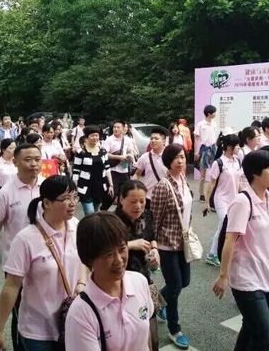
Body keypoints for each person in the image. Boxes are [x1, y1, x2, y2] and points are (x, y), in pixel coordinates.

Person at [0, 175, 87, 351]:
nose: (73, 203)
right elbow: (11, 286)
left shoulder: (76, 226)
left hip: (70, 322)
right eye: (66, 198)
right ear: (47, 203)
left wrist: (81, 282)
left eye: (75, 197)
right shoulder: (26, 239)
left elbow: (83, 259)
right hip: (37, 330)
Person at [0, 144, 43, 351]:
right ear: (15, 162)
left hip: (47, 261)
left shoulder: (47, 188)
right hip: (17, 265)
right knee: (20, 312)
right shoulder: (6, 193)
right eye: (28, 160)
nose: (34, 164)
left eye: (37, 159)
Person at [212, 150, 269, 351]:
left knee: (250, 328)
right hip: (246, 279)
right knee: (264, 337)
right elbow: (230, 240)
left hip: (268, 275)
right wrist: (223, 276)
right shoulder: (243, 201)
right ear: (256, 173)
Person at [65, 211, 154, 350]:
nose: (119, 260)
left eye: (122, 249)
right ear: (89, 259)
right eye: (109, 254)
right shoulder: (80, 314)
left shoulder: (139, 282)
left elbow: (145, 336)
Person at [151, 143, 193, 350]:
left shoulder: (183, 180)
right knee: (175, 285)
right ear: (168, 161)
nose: (180, 160)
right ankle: (175, 329)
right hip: (167, 244)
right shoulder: (163, 185)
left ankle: (158, 301)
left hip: (183, 242)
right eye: (176, 157)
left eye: (182, 156)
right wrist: (154, 246)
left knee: (184, 281)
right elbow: (154, 218)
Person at [115, 180, 163, 351]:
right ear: (121, 200)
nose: (138, 206)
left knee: (152, 336)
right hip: (120, 282)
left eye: (142, 201)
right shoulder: (112, 221)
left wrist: (155, 250)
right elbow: (105, 249)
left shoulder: (147, 215)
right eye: (133, 201)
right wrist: (130, 245)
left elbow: (152, 235)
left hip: (143, 279)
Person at [204, 134, 242, 267]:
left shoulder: (237, 162)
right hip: (221, 199)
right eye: (237, 145)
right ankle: (215, 254)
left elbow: (239, 181)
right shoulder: (219, 163)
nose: (239, 148)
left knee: (222, 227)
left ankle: (213, 254)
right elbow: (211, 183)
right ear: (230, 147)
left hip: (234, 199)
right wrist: (207, 202)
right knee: (225, 225)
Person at [72, 125, 114, 215]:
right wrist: (75, 188)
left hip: (99, 186)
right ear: (87, 137)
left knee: (95, 213)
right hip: (85, 187)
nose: (95, 138)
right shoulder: (81, 152)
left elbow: (107, 168)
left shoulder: (103, 151)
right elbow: (76, 171)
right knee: (89, 213)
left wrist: (111, 185)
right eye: (92, 135)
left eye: (96, 135)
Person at [133, 127, 168, 209]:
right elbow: (137, 174)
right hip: (148, 197)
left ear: (164, 141)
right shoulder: (145, 157)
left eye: (156, 139)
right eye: (151, 138)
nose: (153, 141)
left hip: (166, 197)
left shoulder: (169, 156)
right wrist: (134, 187)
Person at [103, 120, 134, 207]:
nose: (115, 129)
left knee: (124, 195)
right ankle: (103, 211)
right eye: (114, 127)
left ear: (123, 129)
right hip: (113, 170)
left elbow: (131, 151)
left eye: (118, 127)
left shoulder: (128, 140)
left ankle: (120, 213)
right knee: (112, 195)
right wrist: (118, 157)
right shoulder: (109, 140)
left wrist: (130, 158)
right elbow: (105, 154)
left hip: (125, 170)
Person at [194, 105, 219, 202]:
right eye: (214, 112)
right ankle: (201, 194)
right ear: (209, 113)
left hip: (213, 149)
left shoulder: (214, 124)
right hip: (203, 149)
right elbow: (196, 139)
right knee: (203, 173)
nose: (215, 114)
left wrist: (216, 150)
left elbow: (215, 138)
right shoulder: (200, 124)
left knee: (214, 172)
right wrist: (196, 152)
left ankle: (213, 193)